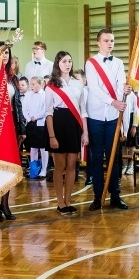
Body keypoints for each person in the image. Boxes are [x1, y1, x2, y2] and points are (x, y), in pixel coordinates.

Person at [85, 29, 132, 211]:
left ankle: (115, 195)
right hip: (96, 116)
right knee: (97, 157)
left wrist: (124, 91)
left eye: (112, 40)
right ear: (98, 42)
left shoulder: (119, 63)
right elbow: (95, 89)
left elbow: (120, 84)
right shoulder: (91, 63)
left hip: (113, 117)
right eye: (106, 40)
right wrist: (113, 101)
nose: (109, 43)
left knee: (115, 157)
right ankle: (98, 196)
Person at [44, 51, 88, 214]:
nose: (67, 64)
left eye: (69, 61)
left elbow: (83, 110)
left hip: (74, 125)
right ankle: (60, 202)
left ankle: (68, 201)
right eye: (64, 61)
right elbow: (48, 112)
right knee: (59, 166)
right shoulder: (51, 85)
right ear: (57, 64)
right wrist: (52, 136)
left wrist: (85, 133)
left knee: (71, 165)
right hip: (58, 124)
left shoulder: (78, 83)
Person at [0, 41, 27, 222]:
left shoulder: (13, 78)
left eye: (7, 53)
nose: (4, 56)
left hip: (11, 125)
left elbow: (17, 105)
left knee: (9, 167)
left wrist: (21, 129)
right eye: (1, 52)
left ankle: (5, 203)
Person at [23, 76, 48, 179]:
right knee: (33, 148)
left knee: (43, 148)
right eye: (30, 84)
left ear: (40, 84)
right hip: (30, 123)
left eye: (33, 84)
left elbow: (45, 109)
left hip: (41, 123)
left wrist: (36, 117)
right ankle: (34, 170)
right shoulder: (28, 95)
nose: (31, 86)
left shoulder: (45, 95)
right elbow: (24, 108)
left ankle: (44, 170)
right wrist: (29, 118)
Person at [74, 68, 92, 186]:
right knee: (75, 150)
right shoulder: (72, 92)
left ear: (84, 80)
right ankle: (74, 174)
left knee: (90, 151)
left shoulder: (89, 92)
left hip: (89, 122)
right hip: (76, 123)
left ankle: (90, 175)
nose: (75, 82)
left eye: (77, 79)